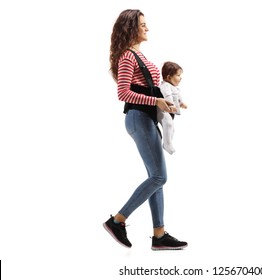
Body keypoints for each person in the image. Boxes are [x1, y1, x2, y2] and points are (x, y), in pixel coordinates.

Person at [103, 9, 187, 250]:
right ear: (131, 28)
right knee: (160, 176)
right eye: (142, 25)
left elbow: (148, 88)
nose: (147, 28)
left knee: (156, 178)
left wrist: (170, 100)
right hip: (139, 117)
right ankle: (117, 220)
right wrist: (156, 102)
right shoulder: (128, 57)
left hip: (146, 117)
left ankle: (159, 235)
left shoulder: (136, 54)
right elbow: (123, 93)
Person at [158, 62, 187, 154]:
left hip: (169, 111)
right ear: (169, 77)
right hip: (163, 110)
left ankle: (167, 142)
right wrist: (171, 105)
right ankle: (167, 144)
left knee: (172, 128)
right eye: (178, 75)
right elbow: (167, 96)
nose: (180, 78)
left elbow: (178, 96)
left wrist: (181, 103)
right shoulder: (165, 86)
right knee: (168, 124)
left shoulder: (174, 87)